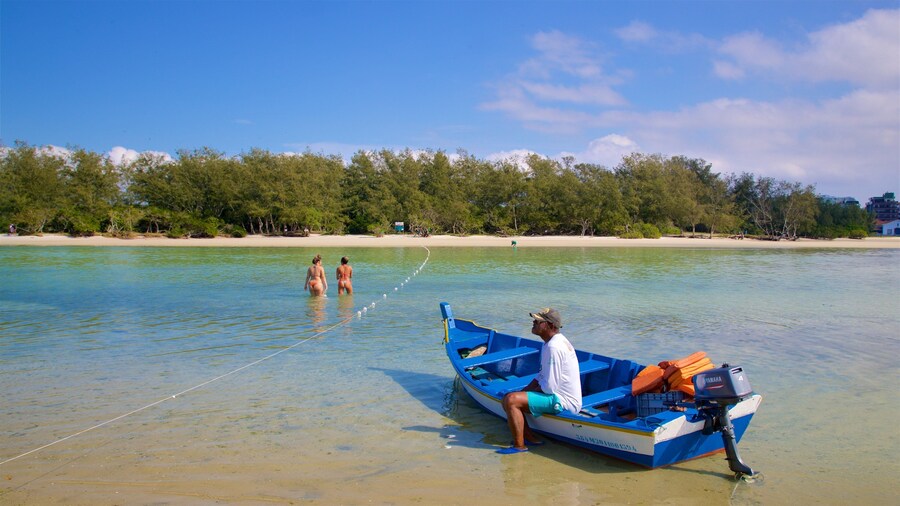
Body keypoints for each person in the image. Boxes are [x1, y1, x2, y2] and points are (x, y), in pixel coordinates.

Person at [497, 308, 582, 454]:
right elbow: (541, 376)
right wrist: (524, 392)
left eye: (538, 321)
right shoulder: (550, 343)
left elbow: (549, 388)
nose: (534, 322)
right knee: (512, 397)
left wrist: (521, 396)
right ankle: (530, 438)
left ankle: (519, 446)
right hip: (556, 395)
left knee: (511, 400)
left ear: (550, 326)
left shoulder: (554, 347)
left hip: (564, 402)